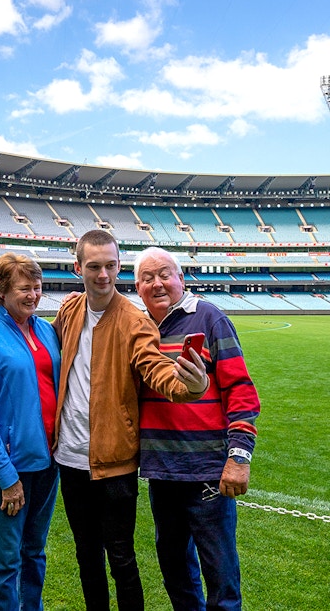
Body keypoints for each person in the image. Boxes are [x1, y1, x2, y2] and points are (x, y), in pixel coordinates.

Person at [52, 230, 209, 611]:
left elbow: (154, 366)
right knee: (86, 557)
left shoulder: (134, 320)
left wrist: (187, 384)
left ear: (119, 267)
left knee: (121, 560)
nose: (103, 275)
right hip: (69, 461)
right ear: (78, 268)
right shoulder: (69, 311)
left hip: (115, 464)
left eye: (110, 266)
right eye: (94, 267)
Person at [134, 246, 261, 611]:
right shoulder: (139, 329)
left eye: (164, 274)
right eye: (147, 277)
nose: (157, 283)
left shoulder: (209, 318)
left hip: (207, 473)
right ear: (137, 287)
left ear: (181, 279)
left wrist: (238, 457)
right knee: (175, 572)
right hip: (162, 474)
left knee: (220, 577)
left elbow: (242, 391)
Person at [0, 253, 61, 611]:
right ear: (2, 291)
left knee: (35, 552)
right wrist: (6, 477)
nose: (33, 295)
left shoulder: (46, 330)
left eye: (37, 287)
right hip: (9, 471)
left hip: (48, 464)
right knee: (6, 561)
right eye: (24, 288)